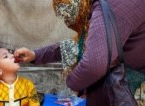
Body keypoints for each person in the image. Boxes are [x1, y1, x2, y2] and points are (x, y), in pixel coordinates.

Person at [14, 0, 145, 94]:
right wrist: (36, 54)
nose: (67, 22)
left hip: (133, 98)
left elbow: (93, 65)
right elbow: (80, 46)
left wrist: (73, 83)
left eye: (68, 17)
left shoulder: (109, 7)